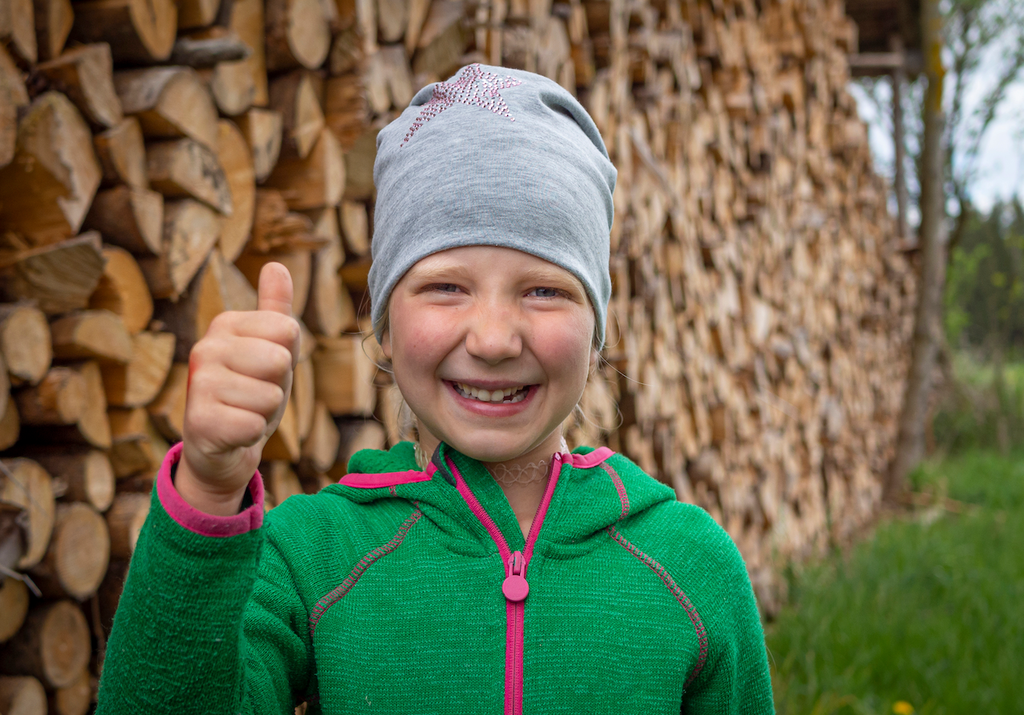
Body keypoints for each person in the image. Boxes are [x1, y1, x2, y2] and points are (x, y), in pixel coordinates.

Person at [96, 64, 774, 714]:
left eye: (544, 290)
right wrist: (209, 489)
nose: (494, 338)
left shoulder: (690, 566)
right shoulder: (311, 559)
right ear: (384, 323)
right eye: (446, 286)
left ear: (596, 331)